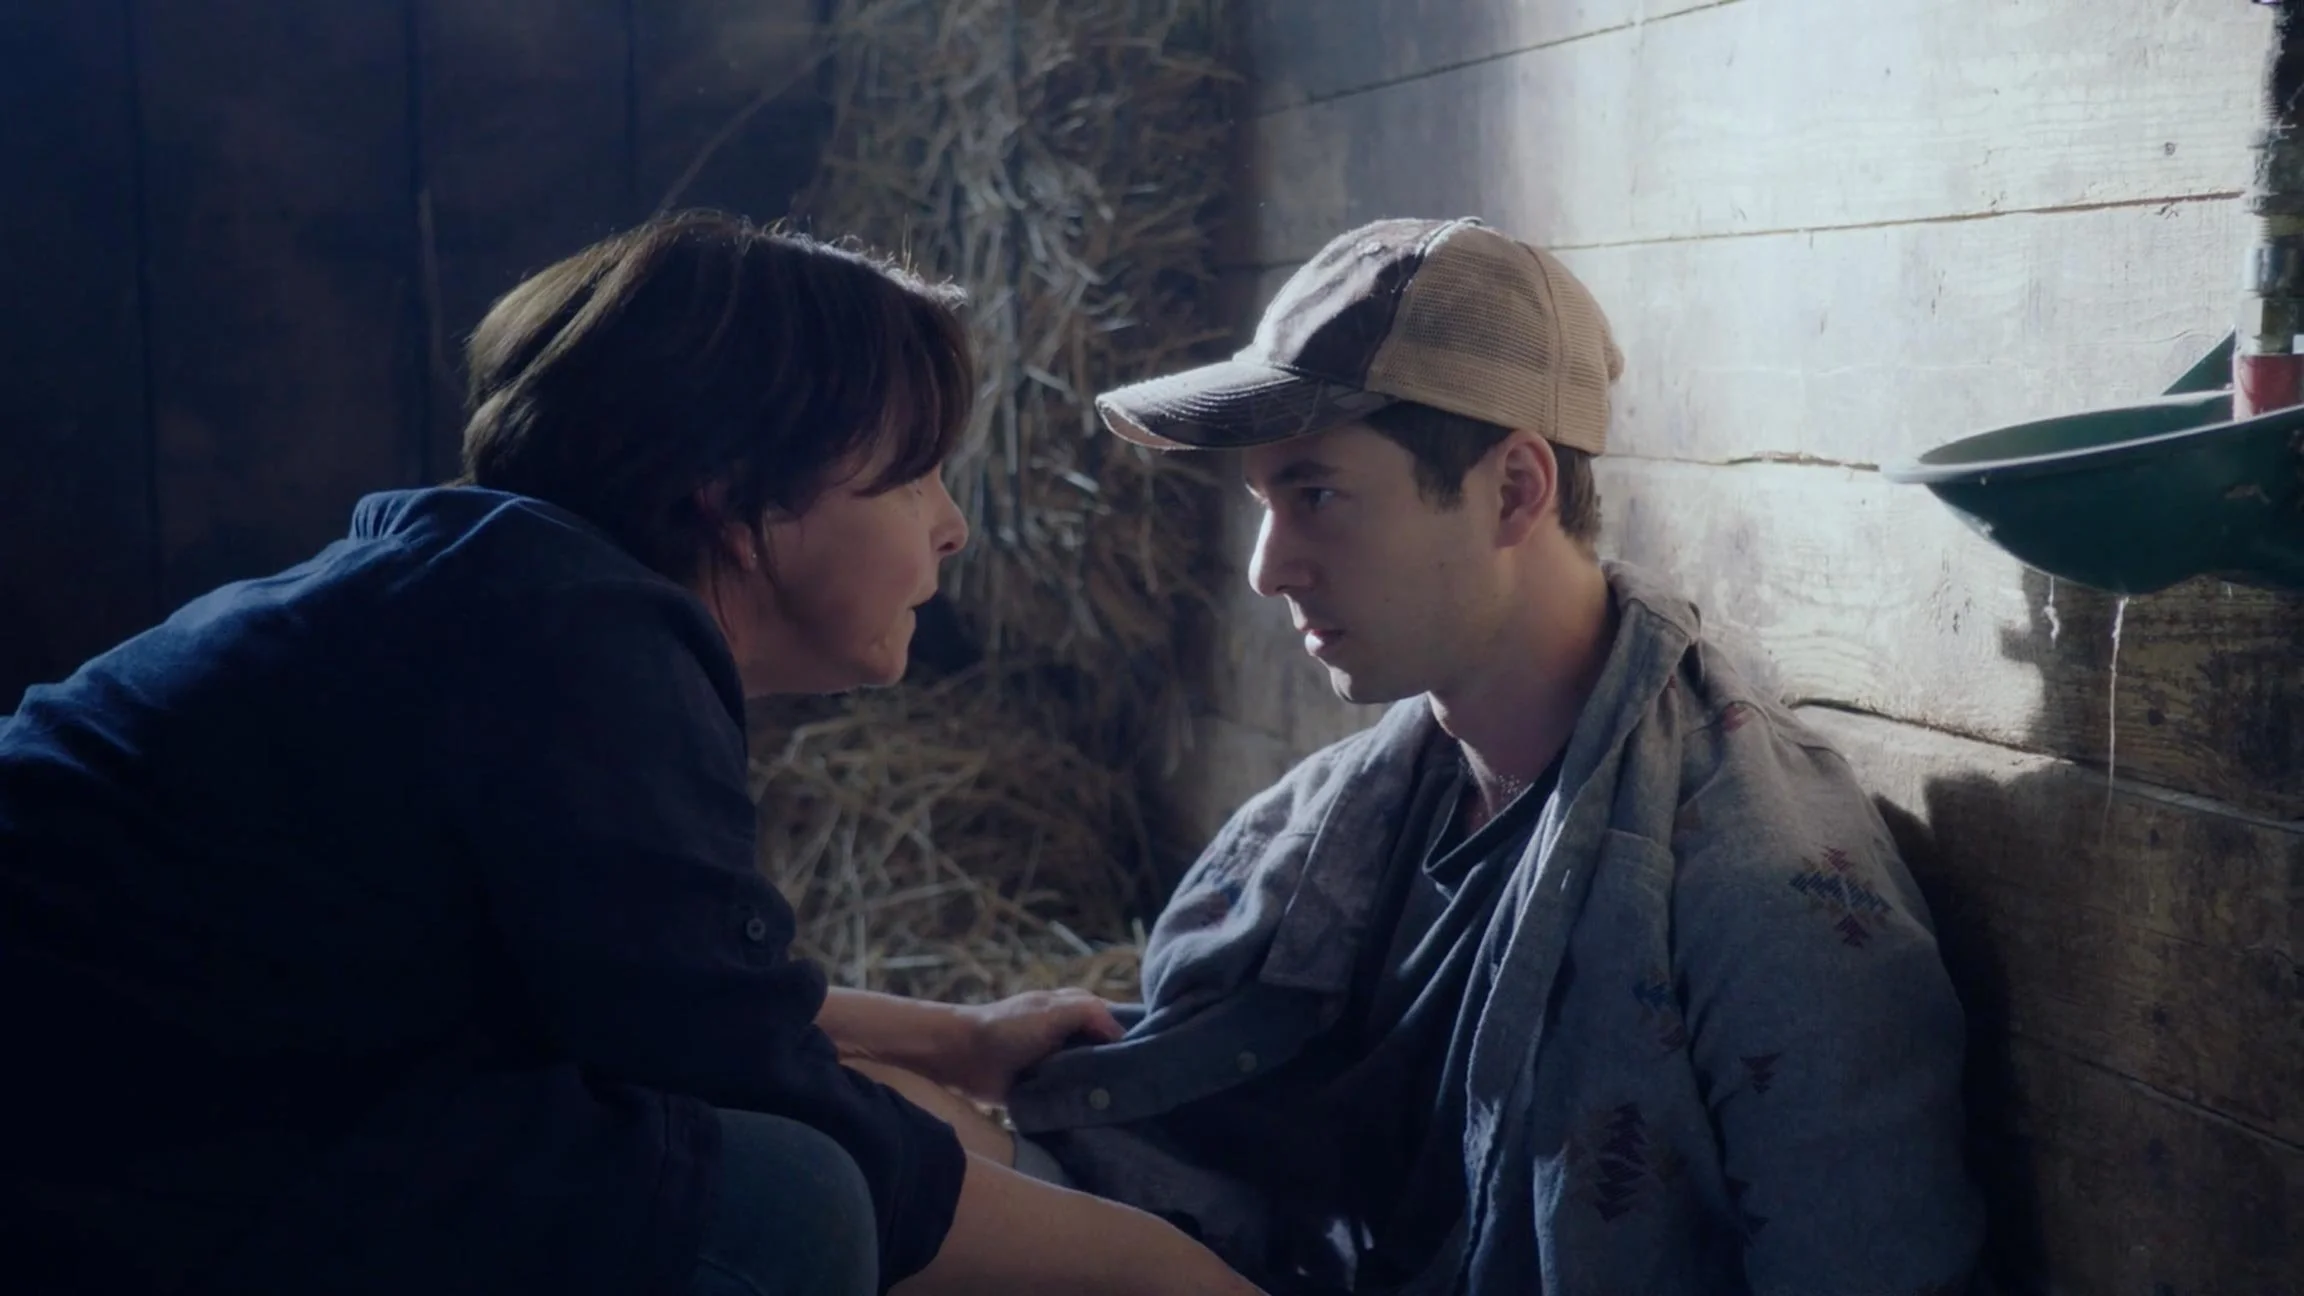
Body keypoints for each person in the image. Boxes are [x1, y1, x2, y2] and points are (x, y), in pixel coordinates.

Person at [0, 212, 1263, 1296]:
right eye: (913, 476)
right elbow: (758, 1083)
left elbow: (670, 993)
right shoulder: (571, 645)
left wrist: (954, 1037)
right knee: (787, 1202)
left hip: (110, 1114)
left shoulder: (502, 599)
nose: (952, 529)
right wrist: (1163, 1269)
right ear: (734, 501)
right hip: (90, 1168)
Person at [865, 217, 1987, 1295]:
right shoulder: (1352, 812)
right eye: (1265, 500)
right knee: (855, 1127)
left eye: (1316, 495)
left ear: (1514, 489)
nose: (1269, 568)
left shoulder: (1763, 898)